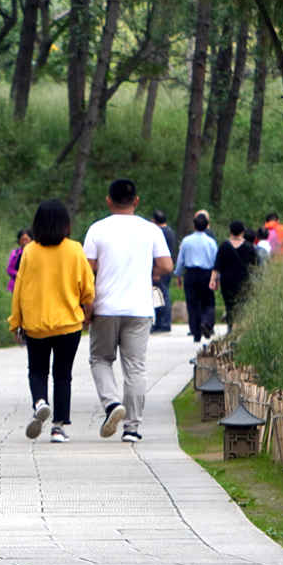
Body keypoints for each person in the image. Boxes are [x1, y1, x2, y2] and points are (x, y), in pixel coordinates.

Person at [82, 178, 173, 444]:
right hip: (139, 308)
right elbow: (166, 266)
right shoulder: (151, 230)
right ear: (136, 201)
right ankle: (132, 428)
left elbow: (87, 268)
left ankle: (112, 404)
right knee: (135, 368)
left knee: (100, 359)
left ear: (108, 201)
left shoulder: (97, 229)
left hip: (105, 308)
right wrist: (147, 271)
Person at [9, 199, 94, 444]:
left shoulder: (29, 251)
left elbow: (20, 289)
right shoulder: (75, 249)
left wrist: (16, 322)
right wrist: (87, 310)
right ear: (66, 224)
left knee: (37, 369)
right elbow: (87, 287)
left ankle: (40, 402)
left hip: (36, 324)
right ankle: (58, 428)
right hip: (68, 323)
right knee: (63, 375)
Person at [177, 212, 218, 341]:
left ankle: (195, 333)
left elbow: (180, 260)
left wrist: (178, 275)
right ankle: (206, 322)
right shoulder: (210, 242)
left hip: (190, 274)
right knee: (208, 301)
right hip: (206, 274)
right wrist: (216, 278)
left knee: (192, 303)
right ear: (207, 226)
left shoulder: (186, 240)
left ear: (194, 226)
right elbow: (216, 260)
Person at [210, 220, 258, 329]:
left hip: (227, 282)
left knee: (229, 306)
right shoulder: (249, 247)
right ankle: (241, 328)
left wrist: (213, 280)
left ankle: (230, 328)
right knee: (242, 305)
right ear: (243, 231)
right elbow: (256, 265)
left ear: (229, 230)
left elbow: (217, 266)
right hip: (244, 281)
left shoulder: (224, 246)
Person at [149, 210, 179, 333]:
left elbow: (159, 254)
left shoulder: (160, 232)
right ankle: (160, 322)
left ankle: (164, 323)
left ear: (154, 220)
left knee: (162, 295)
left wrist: (156, 270)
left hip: (160, 269)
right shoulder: (170, 231)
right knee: (161, 294)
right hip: (167, 267)